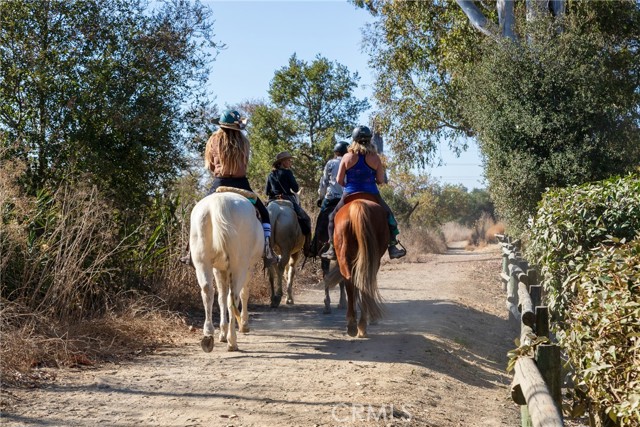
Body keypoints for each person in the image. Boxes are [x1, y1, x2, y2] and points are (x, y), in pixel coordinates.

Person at [180, 110, 278, 268]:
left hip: (219, 183)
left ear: (221, 125)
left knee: (197, 212)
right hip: (241, 184)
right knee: (264, 213)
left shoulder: (213, 140)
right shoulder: (244, 142)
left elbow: (211, 165)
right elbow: (245, 163)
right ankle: (267, 249)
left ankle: (190, 251)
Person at [322, 125, 406, 260]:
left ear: (354, 140)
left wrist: (348, 185)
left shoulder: (347, 157)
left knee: (332, 217)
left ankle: (332, 248)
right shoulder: (375, 158)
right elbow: (380, 180)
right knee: (390, 217)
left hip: (349, 194)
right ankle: (392, 247)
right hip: (372, 194)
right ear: (369, 140)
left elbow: (339, 180)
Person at [265, 151, 313, 257]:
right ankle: (307, 248)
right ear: (282, 162)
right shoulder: (288, 173)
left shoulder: (270, 175)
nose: (290, 162)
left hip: (272, 200)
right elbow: (295, 188)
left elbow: (267, 192)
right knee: (307, 219)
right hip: (287, 199)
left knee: (262, 218)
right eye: (288, 160)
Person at [309, 141, 349, 257]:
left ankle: (314, 247)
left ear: (336, 152)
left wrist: (320, 197)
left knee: (320, 223)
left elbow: (324, 182)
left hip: (331, 198)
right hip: (346, 197)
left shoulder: (331, 163)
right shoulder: (350, 162)